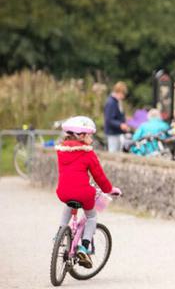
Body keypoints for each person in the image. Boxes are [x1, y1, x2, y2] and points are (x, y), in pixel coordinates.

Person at [55, 116, 122, 268]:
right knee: (91, 216)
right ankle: (84, 247)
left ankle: (60, 233)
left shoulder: (61, 151)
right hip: (83, 193)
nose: (91, 138)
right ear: (81, 135)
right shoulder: (87, 154)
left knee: (69, 203)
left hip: (63, 192)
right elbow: (99, 176)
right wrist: (110, 190)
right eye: (90, 135)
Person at [103, 81, 129, 152]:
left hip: (117, 132)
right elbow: (109, 119)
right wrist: (120, 125)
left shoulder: (117, 102)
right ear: (119, 92)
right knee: (113, 152)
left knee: (118, 151)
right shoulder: (111, 102)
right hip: (112, 133)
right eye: (123, 94)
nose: (123, 97)